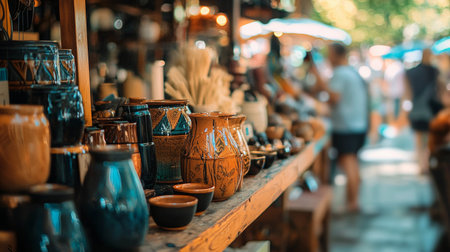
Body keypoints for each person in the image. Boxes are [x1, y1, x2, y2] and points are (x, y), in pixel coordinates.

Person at [310, 43, 369, 211]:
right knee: (353, 163)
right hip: (357, 125)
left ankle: (352, 203)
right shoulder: (351, 72)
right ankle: (353, 201)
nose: (328, 58)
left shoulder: (340, 73)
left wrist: (319, 79)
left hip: (346, 126)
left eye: (329, 54)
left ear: (336, 54)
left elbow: (333, 98)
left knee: (348, 162)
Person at [400, 49, 441, 172]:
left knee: (419, 139)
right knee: (429, 139)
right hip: (430, 109)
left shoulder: (411, 72)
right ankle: (425, 163)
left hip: (417, 108)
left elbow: (407, 94)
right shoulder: (435, 71)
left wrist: (404, 110)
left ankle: (421, 164)